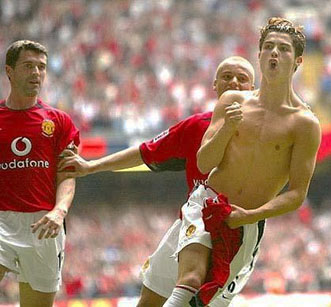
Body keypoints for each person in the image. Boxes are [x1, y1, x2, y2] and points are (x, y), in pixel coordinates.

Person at [58, 56, 256, 306]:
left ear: (253, 88)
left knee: (201, 298)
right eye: (227, 76)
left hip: (233, 227)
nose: (234, 82)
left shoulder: (264, 134)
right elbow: (145, 151)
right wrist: (92, 166)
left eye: (242, 78)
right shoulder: (196, 126)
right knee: (150, 298)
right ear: (214, 84)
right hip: (194, 219)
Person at [159, 17, 321, 307]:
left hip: (246, 222)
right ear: (258, 56)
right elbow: (205, 162)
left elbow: (297, 194)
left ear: (297, 61)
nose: (274, 53)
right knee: (191, 280)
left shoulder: (305, 124)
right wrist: (226, 129)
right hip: (207, 204)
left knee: (207, 302)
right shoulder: (232, 101)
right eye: (268, 46)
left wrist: (247, 216)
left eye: (283, 49)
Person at [0, 40, 80, 307]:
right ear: (9, 71)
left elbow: (67, 175)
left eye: (41, 67)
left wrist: (60, 210)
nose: (36, 73)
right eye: (28, 66)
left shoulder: (59, 121)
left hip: (44, 225)